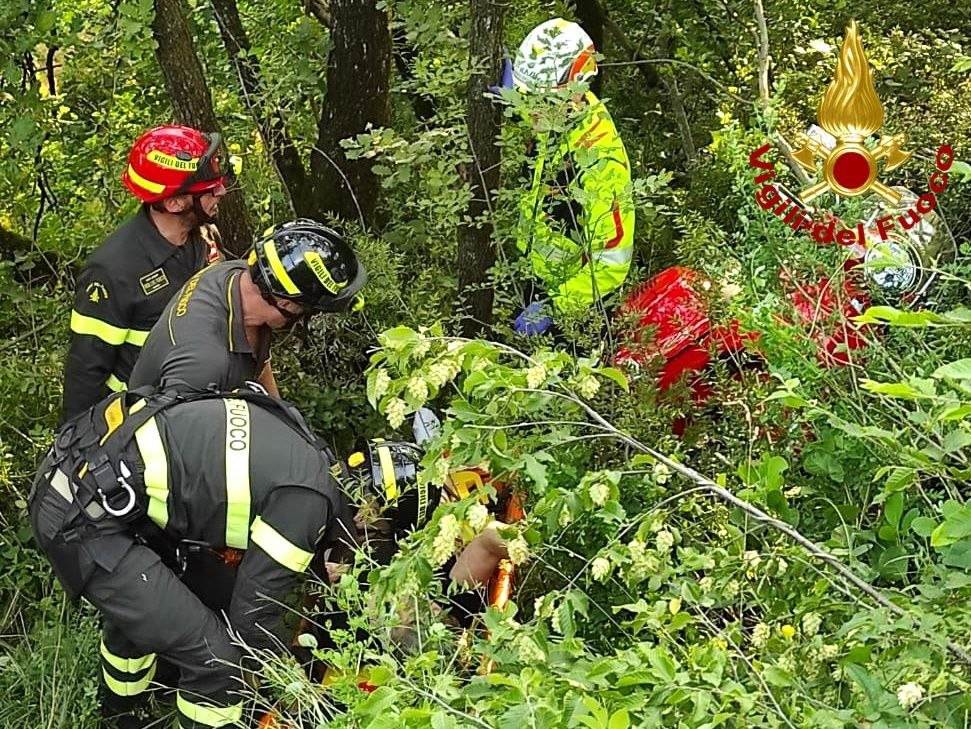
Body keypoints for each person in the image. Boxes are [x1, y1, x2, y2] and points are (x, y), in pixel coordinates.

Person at [61, 125, 233, 422]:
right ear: (175, 203)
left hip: (200, 407)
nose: (222, 191)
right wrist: (77, 448)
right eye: (210, 189)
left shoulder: (204, 238)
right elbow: (85, 373)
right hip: (140, 420)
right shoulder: (112, 270)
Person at [128, 219, 365, 397]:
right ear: (285, 304)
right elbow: (186, 447)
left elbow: (259, 362)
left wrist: (284, 418)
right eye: (307, 311)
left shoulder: (240, 276)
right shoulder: (205, 365)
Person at [507, 18, 636, 334]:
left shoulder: (601, 162)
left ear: (578, 90)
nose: (532, 112)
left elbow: (612, 262)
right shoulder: (552, 112)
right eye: (528, 98)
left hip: (572, 304)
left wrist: (554, 307)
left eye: (543, 102)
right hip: (529, 275)